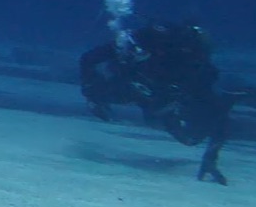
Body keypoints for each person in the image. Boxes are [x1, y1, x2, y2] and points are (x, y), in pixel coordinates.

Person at [80, 18, 240, 184]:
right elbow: (89, 59)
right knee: (177, 125)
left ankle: (184, 112)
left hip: (162, 97)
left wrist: (210, 159)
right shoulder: (141, 49)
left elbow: (218, 115)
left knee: (190, 136)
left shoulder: (195, 71)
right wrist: (92, 96)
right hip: (144, 91)